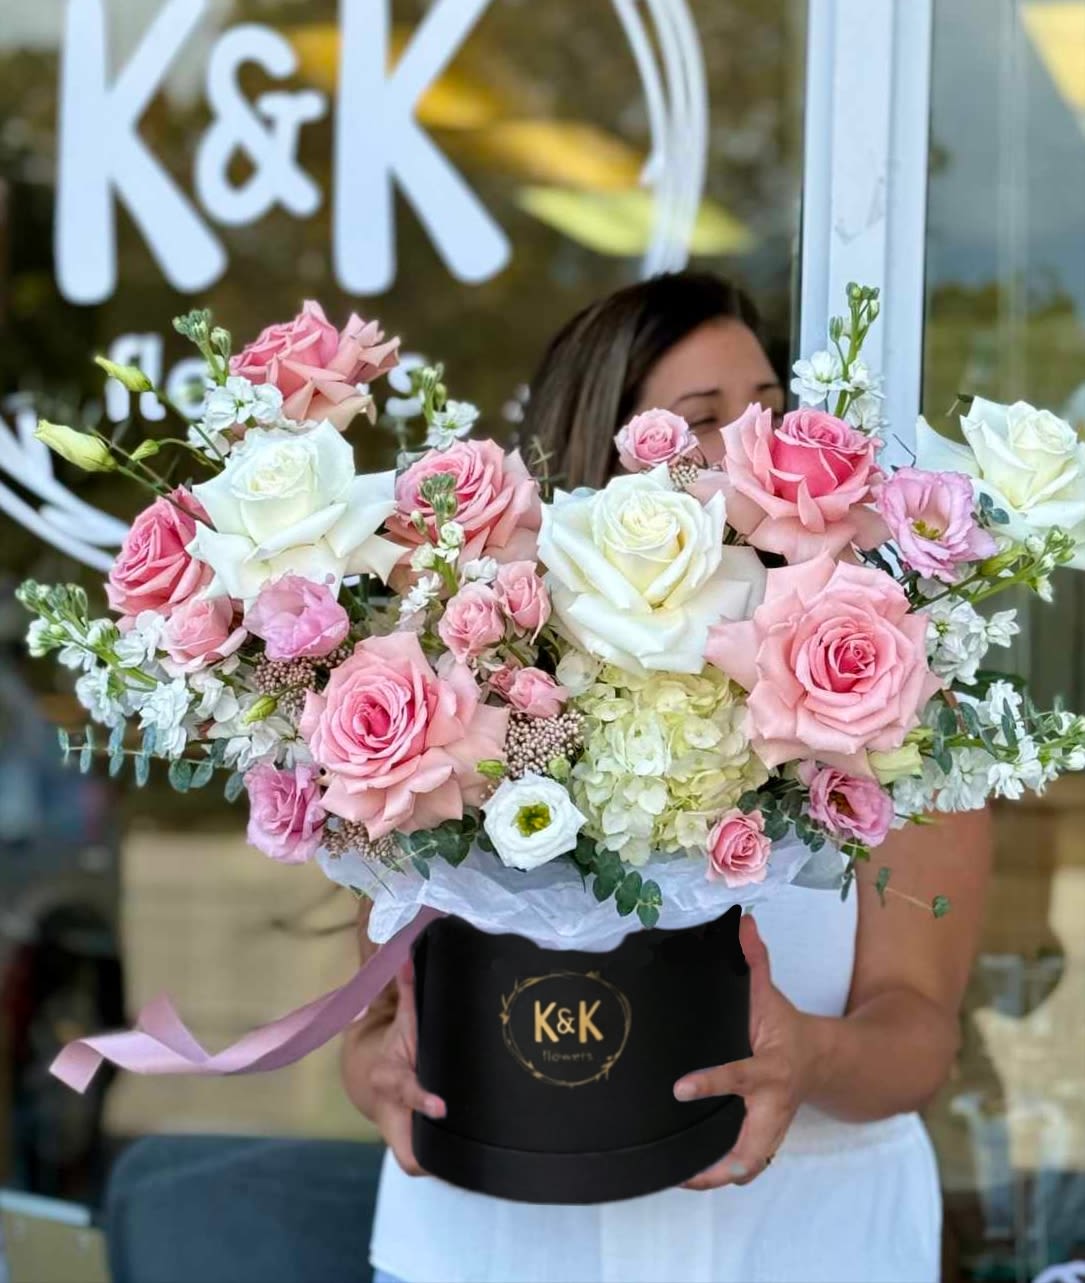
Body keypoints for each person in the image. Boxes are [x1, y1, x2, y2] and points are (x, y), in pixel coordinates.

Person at [341, 272, 992, 1283]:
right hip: (496, 1249)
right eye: (701, 419)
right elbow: (379, 1013)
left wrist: (810, 1055)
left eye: (770, 410)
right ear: (604, 453)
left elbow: (916, 1030)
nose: (752, 444)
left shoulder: (888, 688)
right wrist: (371, 1071)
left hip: (801, 1246)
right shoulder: (465, 690)